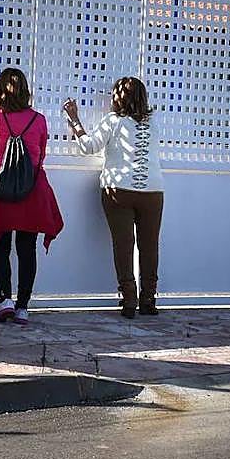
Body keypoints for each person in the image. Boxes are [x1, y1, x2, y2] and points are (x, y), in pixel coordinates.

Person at [0, 68, 64, 325]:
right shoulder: (39, 119)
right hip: (33, 190)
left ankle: (4, 299)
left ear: (0, 89)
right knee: (27, 250)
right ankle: (23, 307)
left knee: (0, 245)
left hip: (1, 189)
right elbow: (40, 157)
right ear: (26, 90)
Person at [63, 77, 166, 319]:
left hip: (118, 190)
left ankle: (129, 299)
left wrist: (75, 121)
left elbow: (88, 147)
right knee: (149, 246)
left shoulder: (114, 121)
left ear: (117, 97)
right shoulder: (153, 122)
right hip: (152, 191)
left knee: (124, 246)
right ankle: (149, 299)